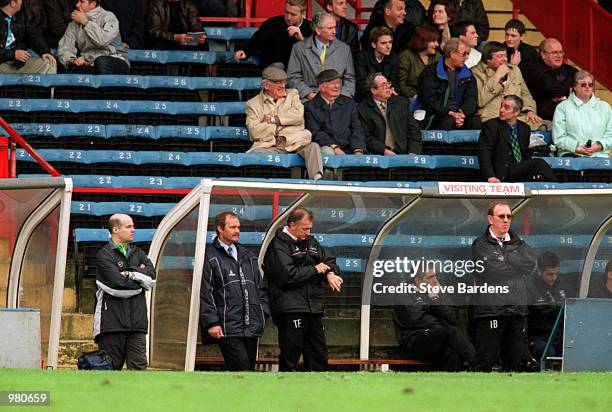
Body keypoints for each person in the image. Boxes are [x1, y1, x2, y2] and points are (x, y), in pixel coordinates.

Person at [263, 207, 343, 371]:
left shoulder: (312, 242)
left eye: (310, 228)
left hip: (313, 308)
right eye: (304, 228)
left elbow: (330, 262)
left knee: (318, 355)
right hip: (290, 308)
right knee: (290, 355)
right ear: (292, 224)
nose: (308, 232)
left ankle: (319, 392)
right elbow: (287, 276)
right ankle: (286, 391)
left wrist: (328, 273)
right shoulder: (278, 245)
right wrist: (315, 270)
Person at [471, 201, 536, 372]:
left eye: (509, 216)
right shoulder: (480, 244)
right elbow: (492, 270)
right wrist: (515, 262)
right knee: (484, 362)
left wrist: (505, 260)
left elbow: (530, 264)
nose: (506, 220)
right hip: (492, 310)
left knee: (514, 365)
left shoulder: (519, 242)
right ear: (490, 219)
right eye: (501, 216)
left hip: (517, 311)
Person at [200, 212, 270, 371]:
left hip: (251, 326)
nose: (237, 230)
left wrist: (262, 313)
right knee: (242, 369)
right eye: (232, 227)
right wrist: (212, 322)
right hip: (227, 327)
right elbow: (206, 291)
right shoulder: (209, 256)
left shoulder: (248, 255)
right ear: (220, 228)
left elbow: (261, 289)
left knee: (248, 371)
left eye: (238, 227)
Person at [94, 214, 156, 370]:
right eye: (129, 227)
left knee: (139, 371)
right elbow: (117, 285)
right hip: (111, 325)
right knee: (110, 372)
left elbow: (152, 275)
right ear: (115, 229)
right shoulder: (104, 255)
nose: (133, 230)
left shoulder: (138, 252)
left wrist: (130, 273)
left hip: (137, 325)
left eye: (133, 226)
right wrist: (141, 283)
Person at [246, 65, 324, 180]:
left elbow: (298, 116)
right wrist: (280, 126)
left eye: (283, 82)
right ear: (266, 85)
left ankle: (318, 180)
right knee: (254, 154)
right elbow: (254, 132)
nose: (283, 85)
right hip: (271, 145)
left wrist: (273, 120)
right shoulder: (253, 104)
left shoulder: (292, 94)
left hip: (295, 141)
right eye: (278, 82)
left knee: (313, 147)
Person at [393, 269, 475, 371]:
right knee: (450, 331)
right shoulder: (404, 294)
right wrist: (437, 315)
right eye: (430, 277)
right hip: (415, 341)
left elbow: (453, 318)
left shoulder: (438, 293)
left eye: (435, 276)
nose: (435, 280)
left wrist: (434, 299)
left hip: (439, 339)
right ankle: (479, 366)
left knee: (453, 351)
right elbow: (414, 318)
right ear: (418, 280)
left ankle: (452, 384)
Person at [478, 95, 556, 183]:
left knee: (540, 177)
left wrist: (533, 171)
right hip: (501, 172)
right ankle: (559, 189)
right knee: (539, 163)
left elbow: (525, 154)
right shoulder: (490, 126)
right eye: (501, 106)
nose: (501, 110)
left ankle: (556, 191)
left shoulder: (524, 128)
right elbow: (484, 153)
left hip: (518, 170)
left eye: (506, 108)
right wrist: (490, 176)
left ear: (517, 112)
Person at [287, 12, 355, 102]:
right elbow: (293, 77)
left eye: (335, 27)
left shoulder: (344, 49)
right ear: (318, 30)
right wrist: (310, 95)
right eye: (330, 28)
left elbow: (349, 79)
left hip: (338, 99)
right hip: (309, 98)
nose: (335, 31)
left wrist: (340, 98)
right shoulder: (299, 48)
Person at [472, 41, 541, 129]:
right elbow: (480, 101)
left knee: (543, 125)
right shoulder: (475, 73)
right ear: (487, 60)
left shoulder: (514, 70)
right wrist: (496, 77)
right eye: (500, 56)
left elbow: (525, 93)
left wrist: (529, 110)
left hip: (517, 117)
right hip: (493, 118)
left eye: (505, 55)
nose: (504, 59)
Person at [417, 38, 480, 130]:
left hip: (460, 115)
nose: (467, 57)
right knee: (449, 121)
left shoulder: (468, 74)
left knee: (476, 122)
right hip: (437, 114)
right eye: (464, 54)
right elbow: (429, 100)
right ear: (453, 54)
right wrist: (449, 112)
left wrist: (462, 114)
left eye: (468, 54)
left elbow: (471, 98)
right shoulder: (430, 72)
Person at [304, 69, 366, 156]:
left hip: (350, 148)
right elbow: (316, 133)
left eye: (338, 83)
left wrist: (358, 150)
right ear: (321, 87)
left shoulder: (349, 103)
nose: (337, 86)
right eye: (332, 83)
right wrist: (335, 148)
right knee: (328, 152)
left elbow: (356, 128)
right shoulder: (310, 107)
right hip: (327, 148)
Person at [233, 0, 312, 69]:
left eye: (293, 14)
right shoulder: (272, 24)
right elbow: (257, 40)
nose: (288, 17)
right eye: (286, 12)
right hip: (274, 70)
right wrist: (245, 51)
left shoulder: (310, 28)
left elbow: (315, 56)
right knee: (278, 66)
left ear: (303, 14)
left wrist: (301, 40)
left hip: (297, 73)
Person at [57, 0, 130, 74]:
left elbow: (103, 41)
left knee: (101, 62)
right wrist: (72, 60)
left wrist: (86, 22)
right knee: (70, 73)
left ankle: (107, 85)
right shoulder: (74, 24)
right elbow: (65, 46)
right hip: (90, 64)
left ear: (92, 4)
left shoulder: (109, 17)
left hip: (116, 59)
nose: (77, 5)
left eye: (82, 2)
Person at [358, 73, 422, 155]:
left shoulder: (401, 103)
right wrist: (384, 150)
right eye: (383, 85)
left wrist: (413, 152)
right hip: (378, 155)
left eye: (388, 83)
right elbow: (366, 137)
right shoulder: (363, 109)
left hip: (403, 154)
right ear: (373, 90)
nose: (388, 87)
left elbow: (414, 131)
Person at [526, 251, 573, 361]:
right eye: (549, 274)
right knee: (548, 352)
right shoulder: (528, 287)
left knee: (575, 348)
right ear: (539, 271)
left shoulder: (564, 286)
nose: (553, 278)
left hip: (560, 336)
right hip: (537, 337)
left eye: (556, 273)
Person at [552, 70, 612, 158]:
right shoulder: (562, 107)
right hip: (571, 153)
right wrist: (577, 148)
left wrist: (598, 146)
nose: (587, 87)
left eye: (590, 84)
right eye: (583, 84)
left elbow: (610, 134)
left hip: (599, 154)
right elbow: (558, 137)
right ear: (575, 87)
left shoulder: (605, 107)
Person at [523, 38, 577, 121]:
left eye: (560, 52)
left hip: (571, 116)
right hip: (544, 118)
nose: (559, 56)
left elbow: (582, 94)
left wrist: (564, 98)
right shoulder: (533, 70)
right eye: (554, 52)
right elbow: (556, 91)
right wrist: (568, 94)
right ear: (543, 54)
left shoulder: (572, 71)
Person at [0, 0, 56, 74]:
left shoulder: (20, 17)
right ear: (13, 3)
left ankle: (47, 86)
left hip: (16, 64)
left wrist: (45, 52)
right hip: (1, 64)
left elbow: (34, 35)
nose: (22, 1)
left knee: (49, 64)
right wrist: (13, 54)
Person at [353, 26, 399, 102]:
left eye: (390, 42)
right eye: (383, 43)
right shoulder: (361, 58)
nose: (388, 46)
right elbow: (361, 85)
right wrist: (379, 92)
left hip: (387, 96)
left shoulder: (394, 58)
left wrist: (392, 89)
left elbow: (395, 82)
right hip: (366, 98)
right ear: (374, 44)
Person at [397, 25, 441, 99]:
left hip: (433, 96)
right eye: (433, 41)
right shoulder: (406, 56)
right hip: (412, 97)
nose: (437, 44)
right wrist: (414, 95)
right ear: (422, 41)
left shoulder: (437, 56)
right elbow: (401, 85)